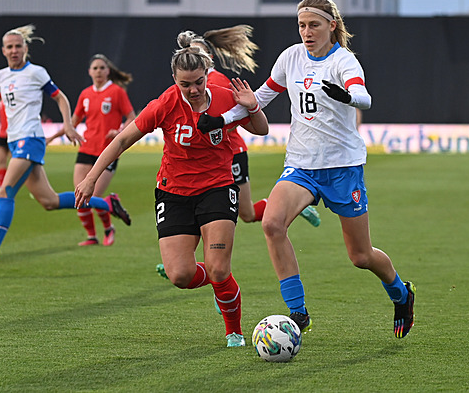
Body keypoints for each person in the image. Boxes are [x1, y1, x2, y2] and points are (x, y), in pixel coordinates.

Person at [211, 0, 416, 338]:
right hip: (301, 165)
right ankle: (297, 312)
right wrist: (223, 119)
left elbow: (363, 96)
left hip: (342, 168)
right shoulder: (291, 57)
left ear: (332, 26)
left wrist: (347, 96)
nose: (307, 32)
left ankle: (400, 293)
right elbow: (258, 99)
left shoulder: (344, 61)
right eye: (302, 26)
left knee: (361, 256)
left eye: (314, 25)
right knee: (273, 225)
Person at [74, 45, 269, 347]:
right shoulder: (165, 103)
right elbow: (124, 139)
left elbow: (261, 129)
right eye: (185, 83)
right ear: (174, 79)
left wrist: (253, 105)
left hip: (217, 188)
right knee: (180, 275)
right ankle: (221, 286)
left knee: (218, 266)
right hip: (173, 193)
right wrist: (90, 178)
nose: (193, 89)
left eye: (198, 81)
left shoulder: (225, 95)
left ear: (207, 74)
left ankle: (234, 332)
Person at [0, 24, 131, 270]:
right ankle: (107, 203)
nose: (14, 50)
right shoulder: (1, 76)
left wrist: (68, 125)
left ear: (26, 49)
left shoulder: (36, 73)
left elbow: (60, 97)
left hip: (30, 140)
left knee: (6, 191)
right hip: (16, 141)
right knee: (49, 201)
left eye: (18, 46)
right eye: (9, 47)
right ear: (3, 50)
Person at [178, 27, 320, 226]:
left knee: (244, 213)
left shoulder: (217, 81)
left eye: (197, 54)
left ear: (208, 57)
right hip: (206, 153)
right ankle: (180, 257)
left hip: (229, 151)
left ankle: (293, 204)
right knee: (205, 210)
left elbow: (231, 118)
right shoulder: (187, 82)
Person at [47, 54, 136, 246]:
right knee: (79, 194)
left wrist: (119, 130)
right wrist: (52, 137)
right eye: (94, 68)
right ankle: (91, 236)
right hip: (86, 148)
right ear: (89, 72)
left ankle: (108, 228)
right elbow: (73, 122)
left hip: (108, 151)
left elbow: (131, 117)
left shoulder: (116, 92)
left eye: (102, 68)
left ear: (108, 71)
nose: (98, 71)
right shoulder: (85, 94)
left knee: (93, 196)